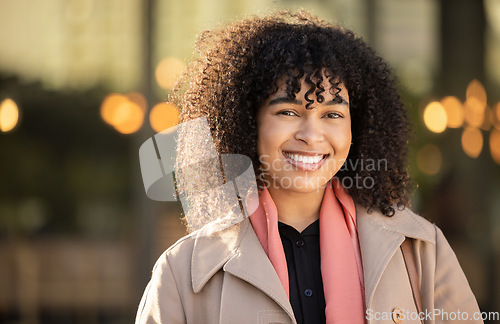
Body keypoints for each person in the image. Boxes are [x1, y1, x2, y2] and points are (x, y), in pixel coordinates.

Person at [135, 11, 482, 324]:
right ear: (246, 123)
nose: (312, 135)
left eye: (332, 114)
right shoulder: (182, 271)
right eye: (288, 112)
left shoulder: (420, 249)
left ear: (356, 129)